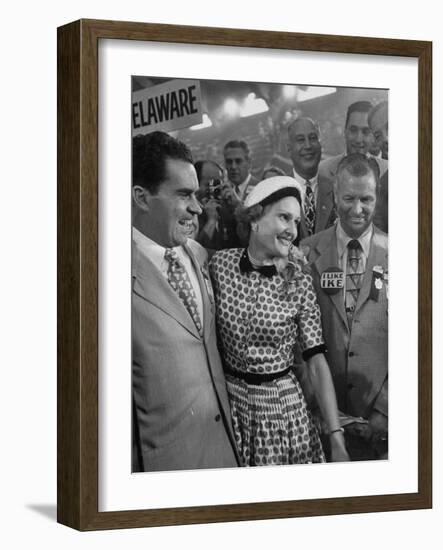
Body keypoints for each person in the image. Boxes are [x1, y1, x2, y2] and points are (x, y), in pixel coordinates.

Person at [210, 177, 349, 466]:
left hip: (282, 415)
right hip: (230, 409)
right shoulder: (219, 265)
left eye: (296, 221)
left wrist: (336, 438)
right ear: (254, 218)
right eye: (284, 217)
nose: (292, 230)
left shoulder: (298, 280)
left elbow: (316, 360)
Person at [131, 131, 239, 472]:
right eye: (183, 194)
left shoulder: (200, 255)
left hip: (227, 457)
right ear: (142, 197)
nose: (196, 206)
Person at [301, 154, 388, 461]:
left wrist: (386, 412)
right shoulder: (306, 253)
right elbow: (298, 342)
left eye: (366, 199)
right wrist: (322, 409)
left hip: (383, 428)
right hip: (324, 421)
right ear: (335, 195)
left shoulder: (401, 253)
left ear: (376, 196)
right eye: (348, 198)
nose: (358, 209)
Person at [319, 100, 389, 233]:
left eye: (365, 132)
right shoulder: (323, 170)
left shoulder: (386, 170)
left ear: (373, 136)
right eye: (353, 130)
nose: (358, 139)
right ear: (344, 132)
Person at [287, 117, 337, 238]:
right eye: (300, 140)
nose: (308, 145)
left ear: (321, 144)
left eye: (313, 138)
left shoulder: (337, 188)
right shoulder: (279, 192)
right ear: (289, 148)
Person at [194, 159, 242, 251]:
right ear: (196, 184)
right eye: (210, 183)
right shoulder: (189, 214)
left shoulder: (226, 209)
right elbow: (194, 253)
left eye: (219, 183)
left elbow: (247, 241)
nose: (216, 188)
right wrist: (211, 221)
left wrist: (237, 206)